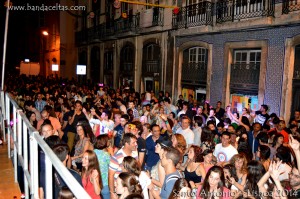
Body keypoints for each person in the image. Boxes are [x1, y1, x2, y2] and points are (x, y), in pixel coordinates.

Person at [109, 133, 138, 199]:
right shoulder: (116, 157)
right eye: (134, 142)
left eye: (136, 142)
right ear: (126, 144)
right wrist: (112, 192)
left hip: (131, 190)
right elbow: (111, 175)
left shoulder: (135, 153)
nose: (136, 144)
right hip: (120, 192)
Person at [94, 135, 111, 199]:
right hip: (104, 183)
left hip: (95, 181)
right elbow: (112, 167)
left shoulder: (94, 151)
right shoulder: (106, 154)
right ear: (105, 142)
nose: (109, 141)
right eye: (108, 140)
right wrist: (111, 153)